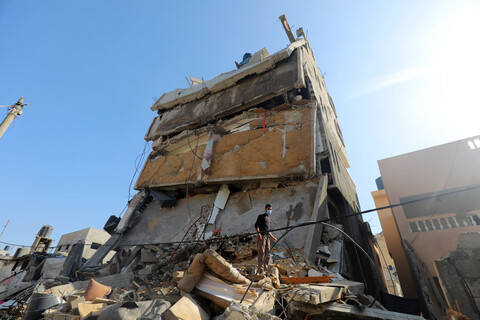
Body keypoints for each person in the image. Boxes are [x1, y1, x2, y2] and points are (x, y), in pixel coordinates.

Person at [255, 204, 277, 274]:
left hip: (267, 238)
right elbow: (256, 225)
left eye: (270, 209)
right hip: (262, 237)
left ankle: (265, 270)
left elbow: (269, 231)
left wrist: (273, 238)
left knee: (267, 254)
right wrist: (258, 233)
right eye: (268, 209)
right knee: (261, 253)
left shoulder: (269, 219)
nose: (269, 210)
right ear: (265, 209)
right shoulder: (261, 216)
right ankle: (260, 271)